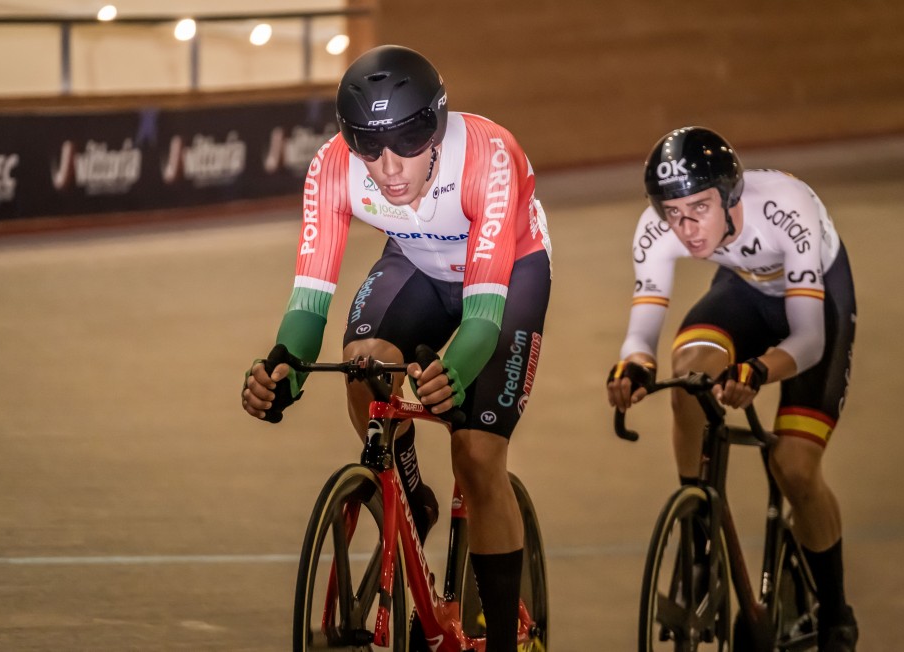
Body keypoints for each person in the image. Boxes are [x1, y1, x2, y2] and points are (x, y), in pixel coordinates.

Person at [241, 44, 552, 652]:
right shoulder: (332, 167)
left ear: (436, 129)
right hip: (415, 263)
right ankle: (411, 501)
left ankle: (504, 640)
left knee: (478, 453)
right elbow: (309, 300)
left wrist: (454, 372)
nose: (387, 167)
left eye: (408, 142)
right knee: (364, 369)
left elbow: (483, 321)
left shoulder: (488, 154)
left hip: (506, 275)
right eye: (368, 146)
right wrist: (284, 369)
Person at [607, 126, 858, 651]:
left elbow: (808, 339)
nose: (687, 227)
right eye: (672, 212)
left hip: (814, 304)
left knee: (793, 467)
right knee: (688, 377)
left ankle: (835, 613)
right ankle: (699, 534)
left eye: (699, 207)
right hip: (743, 292)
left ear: (730, 197)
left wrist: (759, 371)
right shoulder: (657, 228)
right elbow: (646, 315)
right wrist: (634, 363)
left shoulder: (787, 210)